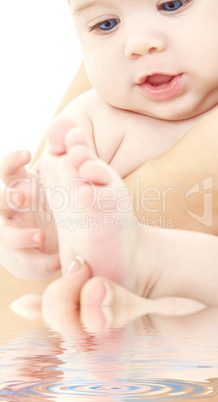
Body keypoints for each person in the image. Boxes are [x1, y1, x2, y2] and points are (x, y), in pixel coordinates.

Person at [0, 0, 218, 308]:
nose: (140, 44)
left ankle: (155, 261)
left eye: (171, 5)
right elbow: (43, 254)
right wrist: (34, 230)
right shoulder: (91, 122)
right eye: (107, 24)